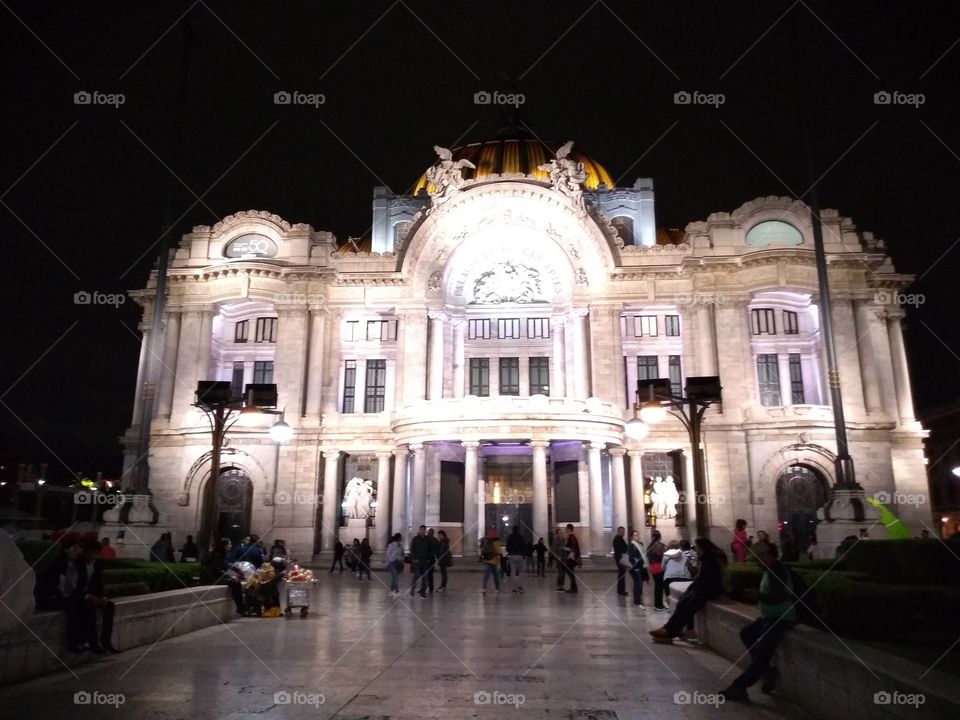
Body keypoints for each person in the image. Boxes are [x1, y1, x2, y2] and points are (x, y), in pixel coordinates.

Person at [719, 544, 798, 701]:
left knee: (762, 652)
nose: (757, 562)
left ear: (767, 556)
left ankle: (740, 686)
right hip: (772, 617)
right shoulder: (771, 571)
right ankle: (766, 670)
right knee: (747, 633)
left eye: (758, 559)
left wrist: (757, 596)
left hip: (781, 618)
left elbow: (779, 597)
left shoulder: (778, 572)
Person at [650, 538, 728, 643]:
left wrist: (694, 589)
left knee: (688, 605)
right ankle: (669, 628)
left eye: (697, 547)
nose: (696, 550)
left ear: (703, 547)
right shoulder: (706, 558)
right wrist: (690, 589)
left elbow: (708, 579)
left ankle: (671, 631)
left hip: (709, 591)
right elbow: (700, 579)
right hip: (703, 588)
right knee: (682, 601)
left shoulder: (710, 559)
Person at [79, 539, 117, 653]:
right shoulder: (78, 563)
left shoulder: (97, 565)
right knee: (89, 609)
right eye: (90, 552)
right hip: (80, 596)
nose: (92, 555)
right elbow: (73, 586)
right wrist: (88, 596)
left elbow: (98, 584)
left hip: (92, 595)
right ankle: (93, 643)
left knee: (109, 606)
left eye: (95, 553)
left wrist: (102, 597)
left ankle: (106, 641)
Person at [212, 538, 245, 615]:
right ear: (224, 546)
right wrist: (231, 577)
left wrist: (235, 573)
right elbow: (218, 570)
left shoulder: (223, 555)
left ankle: (241, 607)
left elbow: (225, 567)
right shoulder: (217, 556)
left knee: (237, 582)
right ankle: (241, 607)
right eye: (229, 544)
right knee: (235, 583)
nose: (231, 546)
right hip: (215, 578)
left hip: (220, 576)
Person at [662, 539, 696, 606]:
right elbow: (688, 565)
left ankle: (671, 608)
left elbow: (663, 568)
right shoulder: (683, 554)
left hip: (669, 578)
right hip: (685, 577)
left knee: (670, 598)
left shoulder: (666, 555)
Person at [646, 530, 667, 611]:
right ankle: (659, 605)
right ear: (660, 537)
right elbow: (663, 555)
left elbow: (647, 555)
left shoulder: (650, 546)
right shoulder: (660, 545)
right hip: (659, 566)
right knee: (660, 586)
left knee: (657, 585)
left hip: (652, 567)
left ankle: (657, 604)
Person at [558, 523, 581, 593]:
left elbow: (572, 549)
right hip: (571, 558)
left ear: (569, 529)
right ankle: (573, 587)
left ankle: (573, 588)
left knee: (570, 573)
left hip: (571, 558)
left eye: (566, 528)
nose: (565, 529)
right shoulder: (570, 537)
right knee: (570, 572)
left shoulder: (572, 537)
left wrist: (563, 548)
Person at [626, 530, 647, 607]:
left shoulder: (640, 544)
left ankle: (637, 599)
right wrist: (635, 567)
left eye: (637, 535)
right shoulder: (631, 545)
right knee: (638, 583)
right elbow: (631, 558)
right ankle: (637, 601)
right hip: (635, 568)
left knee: (639, 583)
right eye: (635, 535)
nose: (636, 536)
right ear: (632, 537)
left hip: (641, 566)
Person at [410, 526, 431, 598]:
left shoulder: (427, 539)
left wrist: (429, 558)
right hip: (417, 560)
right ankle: (412, 589)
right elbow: (412, 549)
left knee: (425, 577)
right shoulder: (415, 539)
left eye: (424, 530)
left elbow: (430, 549)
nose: (422, 531)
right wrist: (413, 558)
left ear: (425, 531)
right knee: (416, 575)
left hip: (425, 560)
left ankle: (423, 591)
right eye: (421, 530)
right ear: (419, 530)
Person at [480, 529, 502, 594]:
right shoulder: (496, 542)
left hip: (486, 560)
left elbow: (482, 550)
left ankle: (484, 588)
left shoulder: (485, 541)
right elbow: (498, 551)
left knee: (486, 575)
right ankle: (497, 589)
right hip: (494, 561)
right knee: (496, 576)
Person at [506, 525, 526, 594]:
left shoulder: (510, 537)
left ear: (512, 530)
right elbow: (524, 546)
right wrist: (523, 554)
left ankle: (514, 589)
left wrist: (509, 552)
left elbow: (507, 547)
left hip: (512, 556)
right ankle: (520, 586)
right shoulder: (521, 537)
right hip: (519, 555)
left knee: (513, 573)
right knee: (521, 572)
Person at [612, 525, 629, 596]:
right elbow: (621, 548)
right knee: (621, 574)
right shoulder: (617, 539)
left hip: (620, 558)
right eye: (622, 532)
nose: (623, 533)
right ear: (619, 531)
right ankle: (621, 590)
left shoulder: (620, 538)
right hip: (620, 558)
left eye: (624, 531)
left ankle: (621, 590)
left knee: (621, 574)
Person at [425, 529, 439, 593]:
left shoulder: (435, 540)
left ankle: (430, 587)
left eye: (431, 532)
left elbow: (437, 550)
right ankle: (424, 587)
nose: (430, 533)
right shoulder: (424, 539)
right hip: (424, 558)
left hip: (431, 559)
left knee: (430, 574)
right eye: (429, 532)